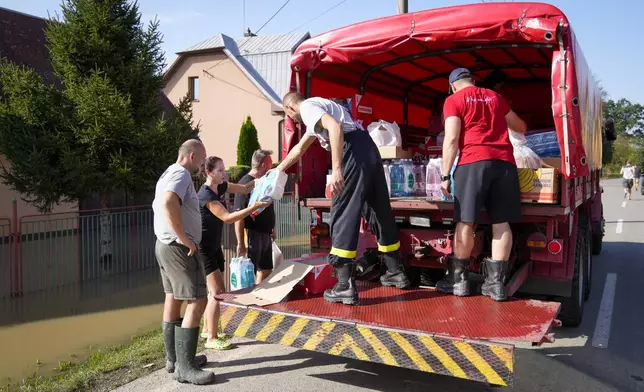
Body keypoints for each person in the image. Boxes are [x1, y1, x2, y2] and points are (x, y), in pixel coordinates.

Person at [279, 92, 410, 306]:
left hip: (352, 150)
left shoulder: (309, 108)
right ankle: (395, 272)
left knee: (343, 213)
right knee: (379, 211)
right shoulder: (320, 109)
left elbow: (335, 128)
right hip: (367, 148)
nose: (292, 120)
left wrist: (337, 168)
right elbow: (299, 149)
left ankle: (344, 286)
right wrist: (277, 172)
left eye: (289, 116)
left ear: (290, 108)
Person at [437, 68, 527, 302]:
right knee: (501, 222)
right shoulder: (495, 97)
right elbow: (520, 126)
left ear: (453, 85)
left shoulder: (453, 100)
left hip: (473, 164)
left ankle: (459, 282)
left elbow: (452, 138)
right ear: (472, 80)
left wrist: (445, 174)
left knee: (466, 221)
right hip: (504, 165)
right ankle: (496, 286)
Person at [152, 139, 214, 385]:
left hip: (163, 245)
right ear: (191, 156)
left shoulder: (167, 172)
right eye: (201, 159)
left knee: (173, 297)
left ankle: (174, 359)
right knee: (198, 300)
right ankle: (185, 368)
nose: (202, 164)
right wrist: (185, 239)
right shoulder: (181, 175)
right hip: (178, 247)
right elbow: (168, 202)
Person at [197, 156, 271, 350]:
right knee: (217, 292)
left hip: (215, 247)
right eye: (220, 170)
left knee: (214, 291)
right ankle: (211, 339)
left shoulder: (220, 187)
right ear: (209, 173)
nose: (224, 173)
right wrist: (253, 207)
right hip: (204, 249)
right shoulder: (206, 196)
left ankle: (207, 328)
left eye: (224, 169)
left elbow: (246, 188)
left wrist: (266, 179)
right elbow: (228, 218)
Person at [234, 149, 276, 284]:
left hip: (265, 233)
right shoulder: (245, 184)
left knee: (266, 270)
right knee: (249, 272)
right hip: (252, 234)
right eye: (270, 163)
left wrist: (272, 228)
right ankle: (249, 299)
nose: (272, 166)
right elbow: (238, 216)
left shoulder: (263, 182)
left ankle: (259, 297)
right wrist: (241, 243)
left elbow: (267, 206)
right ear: (263, 165)